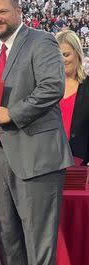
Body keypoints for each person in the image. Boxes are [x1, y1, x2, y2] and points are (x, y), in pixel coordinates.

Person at [0, 0, 73, 265]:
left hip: (37, 152)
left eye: (2, 12)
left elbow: (53, 86)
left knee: (38, 234)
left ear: (18, 12)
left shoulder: (41, 40)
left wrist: (14, 113)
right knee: (8, 233)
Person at [56, 29, 89, 165]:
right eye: (57, 55)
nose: (62, 60)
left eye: (66, 54)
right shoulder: (45, 87)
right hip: (50, 164)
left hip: (81, 164)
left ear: (77, 54)